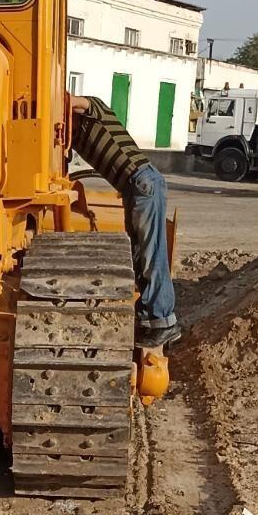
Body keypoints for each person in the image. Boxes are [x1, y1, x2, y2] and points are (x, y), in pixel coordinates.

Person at [70, 95, 179, 350]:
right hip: (136, 187)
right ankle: (148, 318)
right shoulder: (75, 138)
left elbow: (74, 101)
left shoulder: (95, 111)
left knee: (151, 254)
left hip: (142, 182)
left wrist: (49, 100)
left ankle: (164, 321)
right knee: (139, 253)